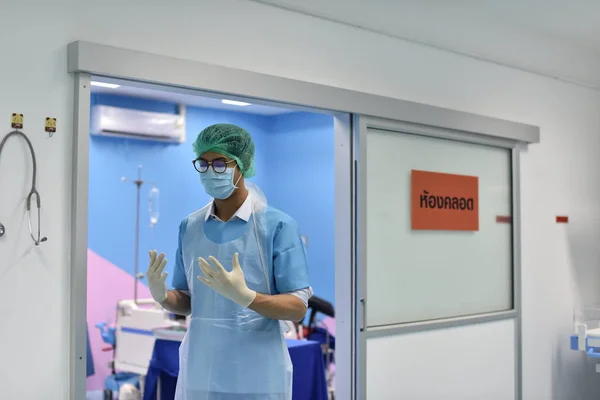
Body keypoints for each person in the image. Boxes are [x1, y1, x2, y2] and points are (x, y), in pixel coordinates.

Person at [145, 123, 313, 400]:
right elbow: (187, 301)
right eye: (204, 163)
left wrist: (247, 297)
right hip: (202, 370)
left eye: (220, 163)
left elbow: (296, 308)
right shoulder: (190, 227)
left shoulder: (277, 226)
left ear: (242, 165)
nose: (211, 171)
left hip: (257, 373)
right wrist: (163, 296)